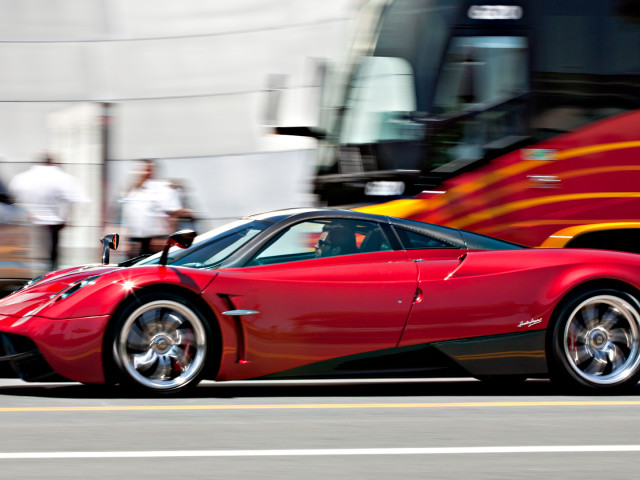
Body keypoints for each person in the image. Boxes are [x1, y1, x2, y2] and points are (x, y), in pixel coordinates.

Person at [9, 152, 89, 271]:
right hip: (52, 223)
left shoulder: (22, 177)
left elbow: (12, 197)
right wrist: (68, 218)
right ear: (53, 162)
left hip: (28, 221)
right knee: (51, 259)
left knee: (28, 254)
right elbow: (78, 199)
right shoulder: (63, 177)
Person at [120, 159, 192, 258]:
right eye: (140, 170)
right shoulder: (134, 193)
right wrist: (127, 242)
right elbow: (131, 220)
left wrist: (168, 240)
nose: (144, 173)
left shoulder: (162, 189)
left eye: (147, 170)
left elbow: (174, 214)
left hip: (156, 242)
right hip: (137, 243)